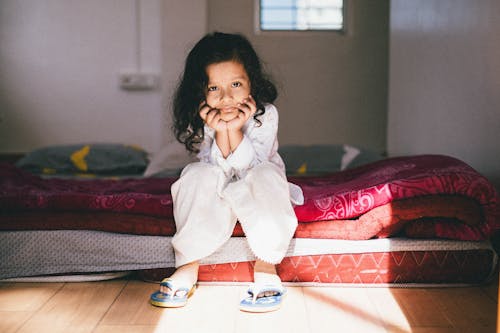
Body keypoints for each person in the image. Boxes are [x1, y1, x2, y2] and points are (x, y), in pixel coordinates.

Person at [149, 32, 303, 312]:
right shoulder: (205, 118)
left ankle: (266, 266)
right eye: (214, 88)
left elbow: (251, 166)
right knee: (194, 174)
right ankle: (187, 265)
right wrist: (221, 130)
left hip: (257, 184)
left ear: (251, 83)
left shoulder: (266, 115)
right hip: (220, 186)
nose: (227, 98)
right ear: (201, 91)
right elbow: (215, 169)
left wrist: (232, 130)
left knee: (267, 175)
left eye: (235, 84)